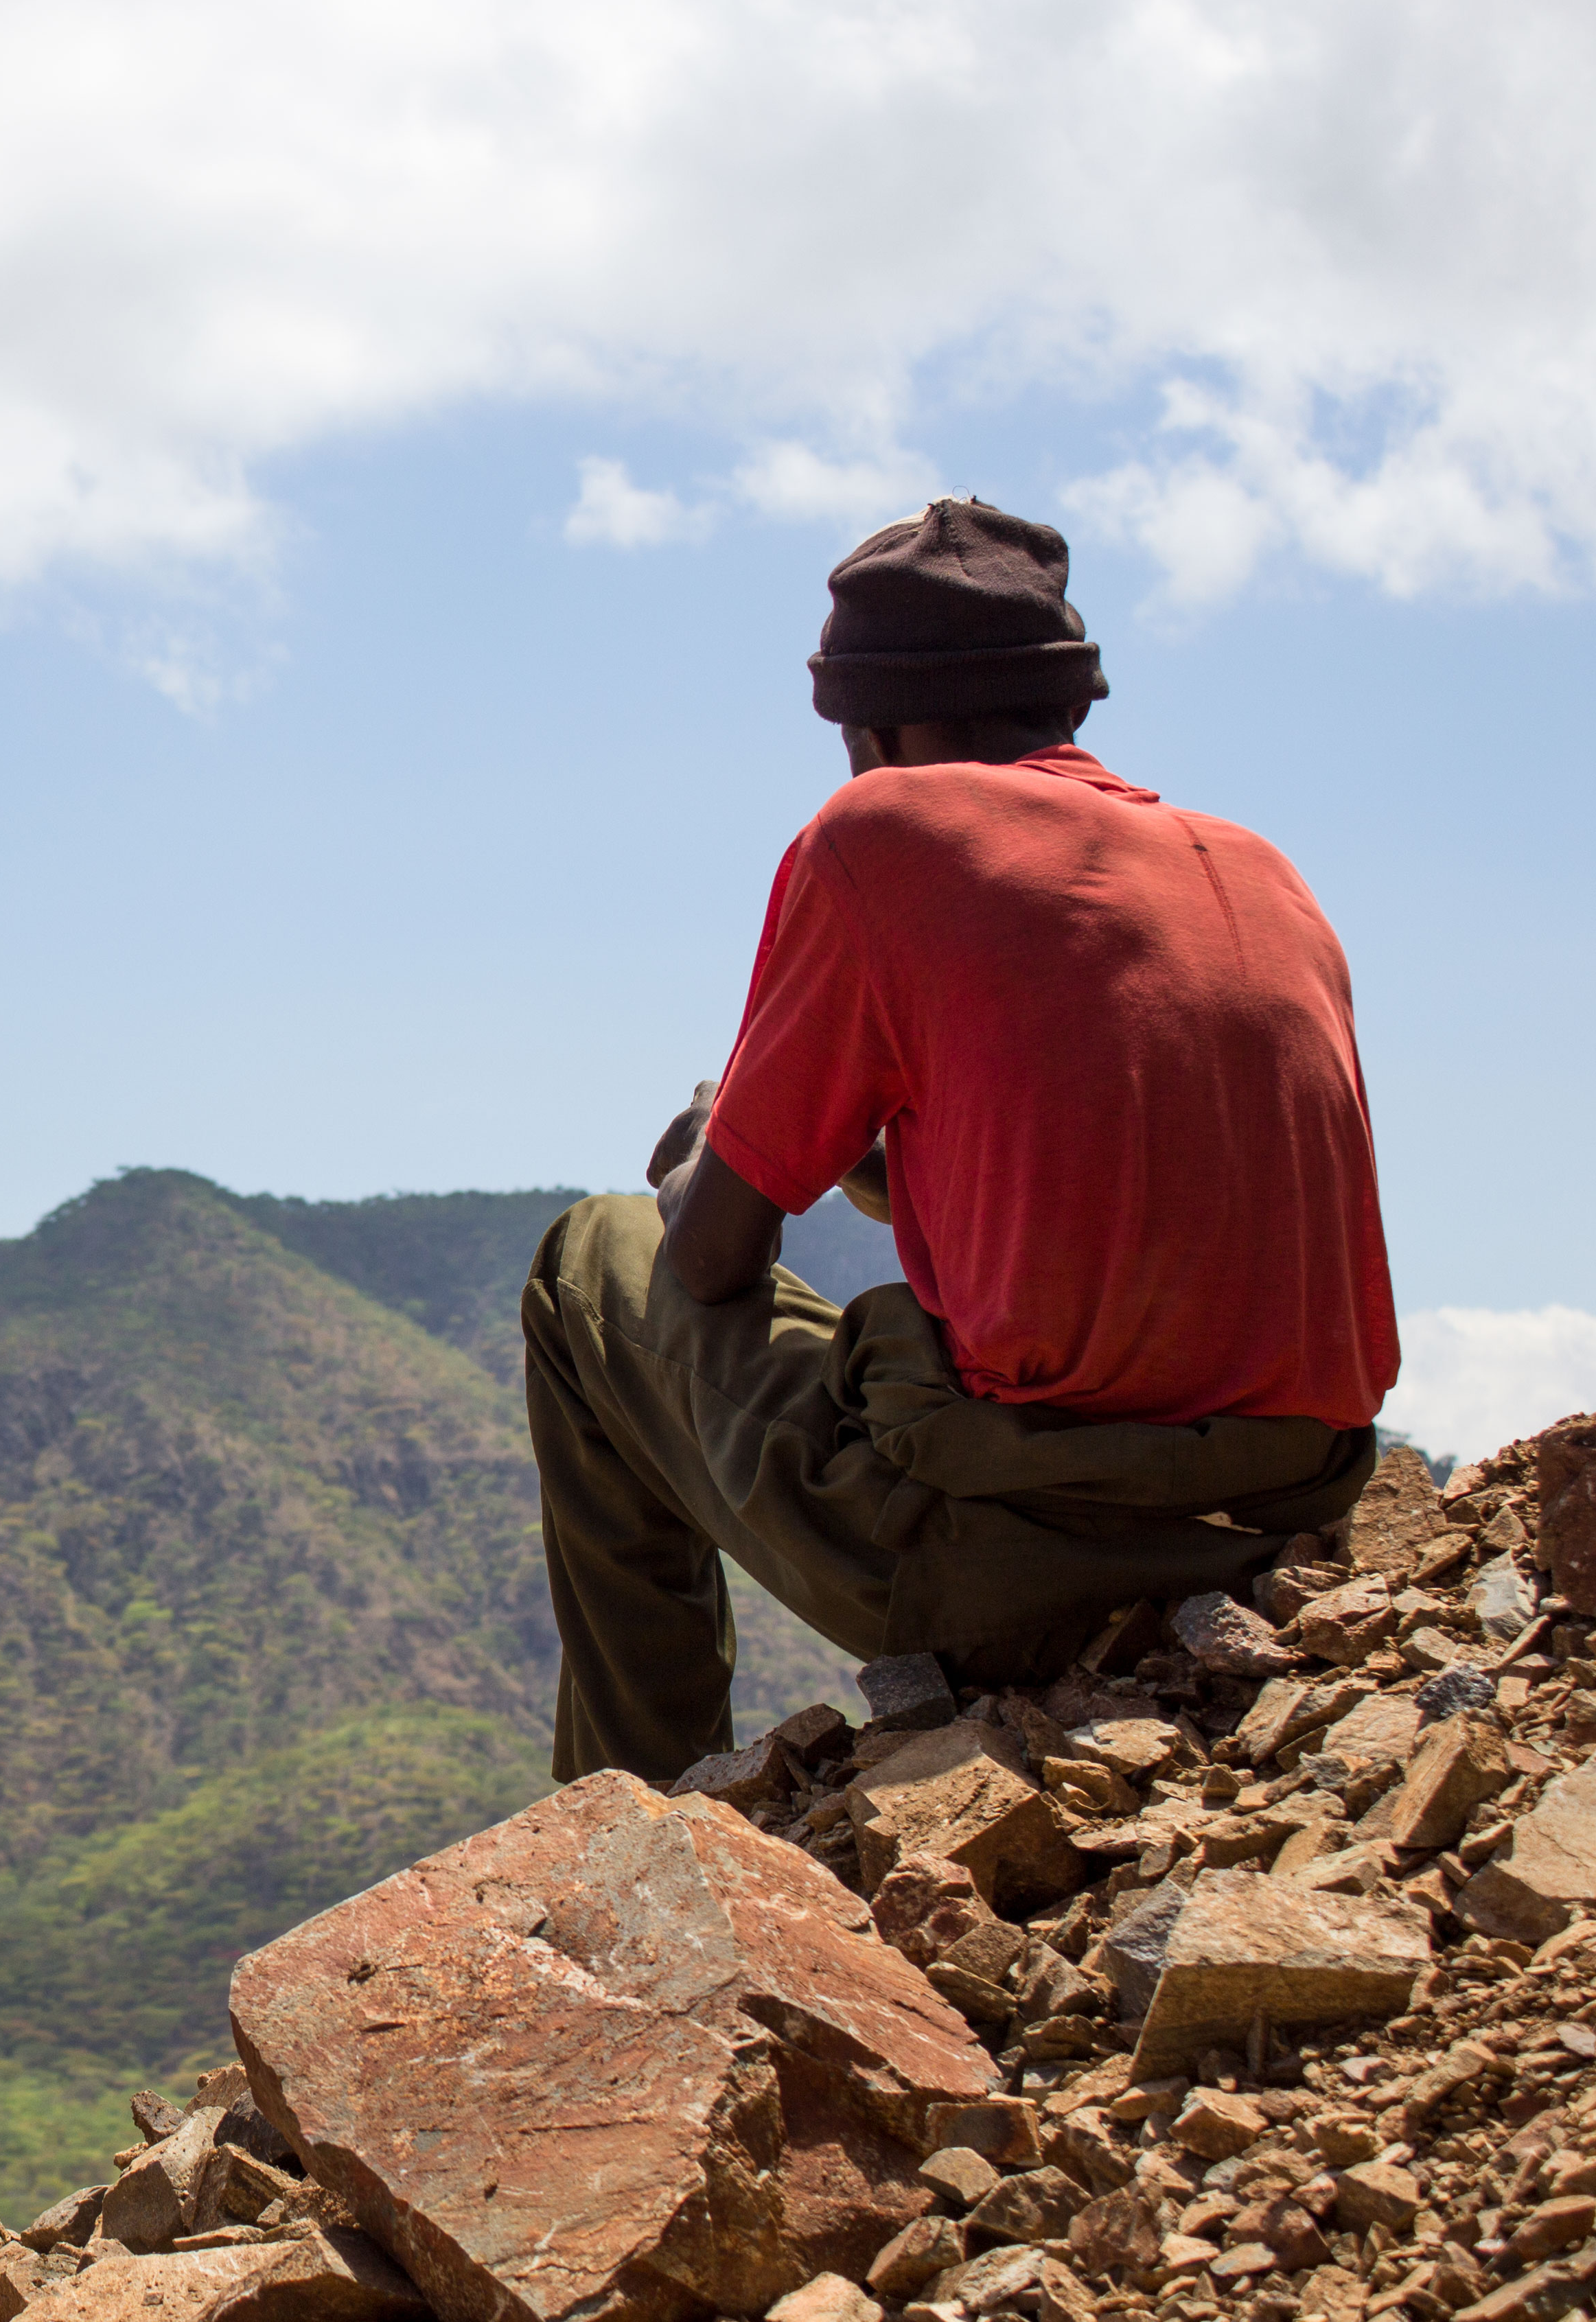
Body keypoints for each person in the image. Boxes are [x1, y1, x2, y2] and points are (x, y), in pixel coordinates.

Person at [520, 497, 1397, 1785]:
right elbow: (1098, 1190)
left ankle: (631, 1804)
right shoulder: (1262, 871)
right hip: (1282, 1524)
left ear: (869, 729)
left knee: (588, 1259)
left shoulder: (881, 838)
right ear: (1069, 704)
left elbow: (707, 1265)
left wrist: (703, 1154)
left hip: (1012, 1557)